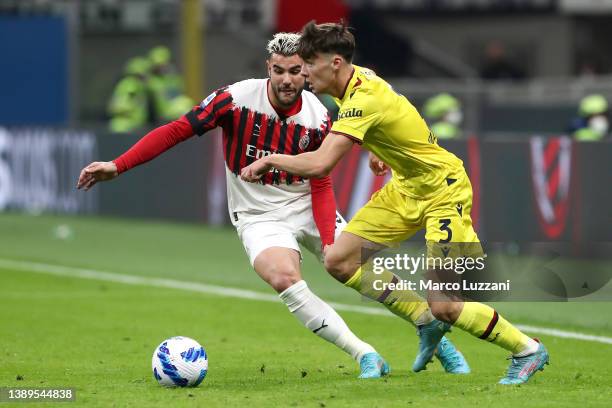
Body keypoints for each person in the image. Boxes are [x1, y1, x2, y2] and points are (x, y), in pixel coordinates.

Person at [77, 33, 467, 378]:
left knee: (350, 264)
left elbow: (326, 173)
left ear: (308, 71)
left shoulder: (318, 115)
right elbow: (178, 130)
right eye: (278, 70)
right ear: (268, 68)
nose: (286, 79)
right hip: (258, 214)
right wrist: (119, 164)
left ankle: (431, 329)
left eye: (296, 70)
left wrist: (336, 224)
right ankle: (364, 354)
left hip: (307, 199)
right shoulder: (235, 99)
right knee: (283, 277)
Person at [241, 22, 549, 385]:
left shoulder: (361, 99)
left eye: (309, 62)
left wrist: (269, 159)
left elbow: (321, 163)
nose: (303, 71)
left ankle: (527, 349)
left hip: (443, 192)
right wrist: (378, 148)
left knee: (448, 304)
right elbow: (395, 112)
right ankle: (426, 321)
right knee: (340, 260)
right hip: (406, 188)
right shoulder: (353, 82)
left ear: (335, 62)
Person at [147, 45, 194, 122]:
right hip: (164, 115)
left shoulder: (173, 79)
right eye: (159, 66)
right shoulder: (151, 82)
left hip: (174, 112)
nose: (163, 67)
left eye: (164, 64)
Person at [108, 57, 151, 133]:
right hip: (126, 125)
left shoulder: (132, 84)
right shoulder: (132, 84)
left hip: (131, 125)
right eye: (146, 71)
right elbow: (121, 105)